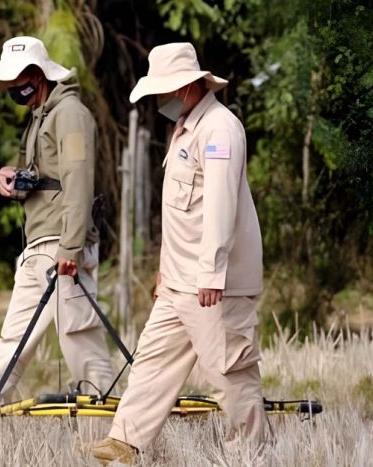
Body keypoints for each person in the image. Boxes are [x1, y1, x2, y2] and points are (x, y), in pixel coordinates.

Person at [91, 42, 269, 465]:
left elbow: (221, 208)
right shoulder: (186, 126)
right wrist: (163, 271)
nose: (159, 101)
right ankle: (126, 441)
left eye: (163, 92)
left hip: (212, 283)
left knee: (230, 372)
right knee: (152, 359)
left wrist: (211, 272)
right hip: (177, 279)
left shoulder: (220, 129)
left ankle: (253, 454)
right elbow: (180, 215)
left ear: (189, 86)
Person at [0, 36, 116, 406]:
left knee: (77, 332)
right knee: (14, 335)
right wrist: (13, 179)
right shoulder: (41, 117)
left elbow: (78, 179)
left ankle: (111, 410)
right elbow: (43, 177)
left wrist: (71, 246)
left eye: (17, 80)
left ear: (36, 75)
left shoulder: (69, 114)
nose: (13, 90)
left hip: (61, 243)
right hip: (38, 245)